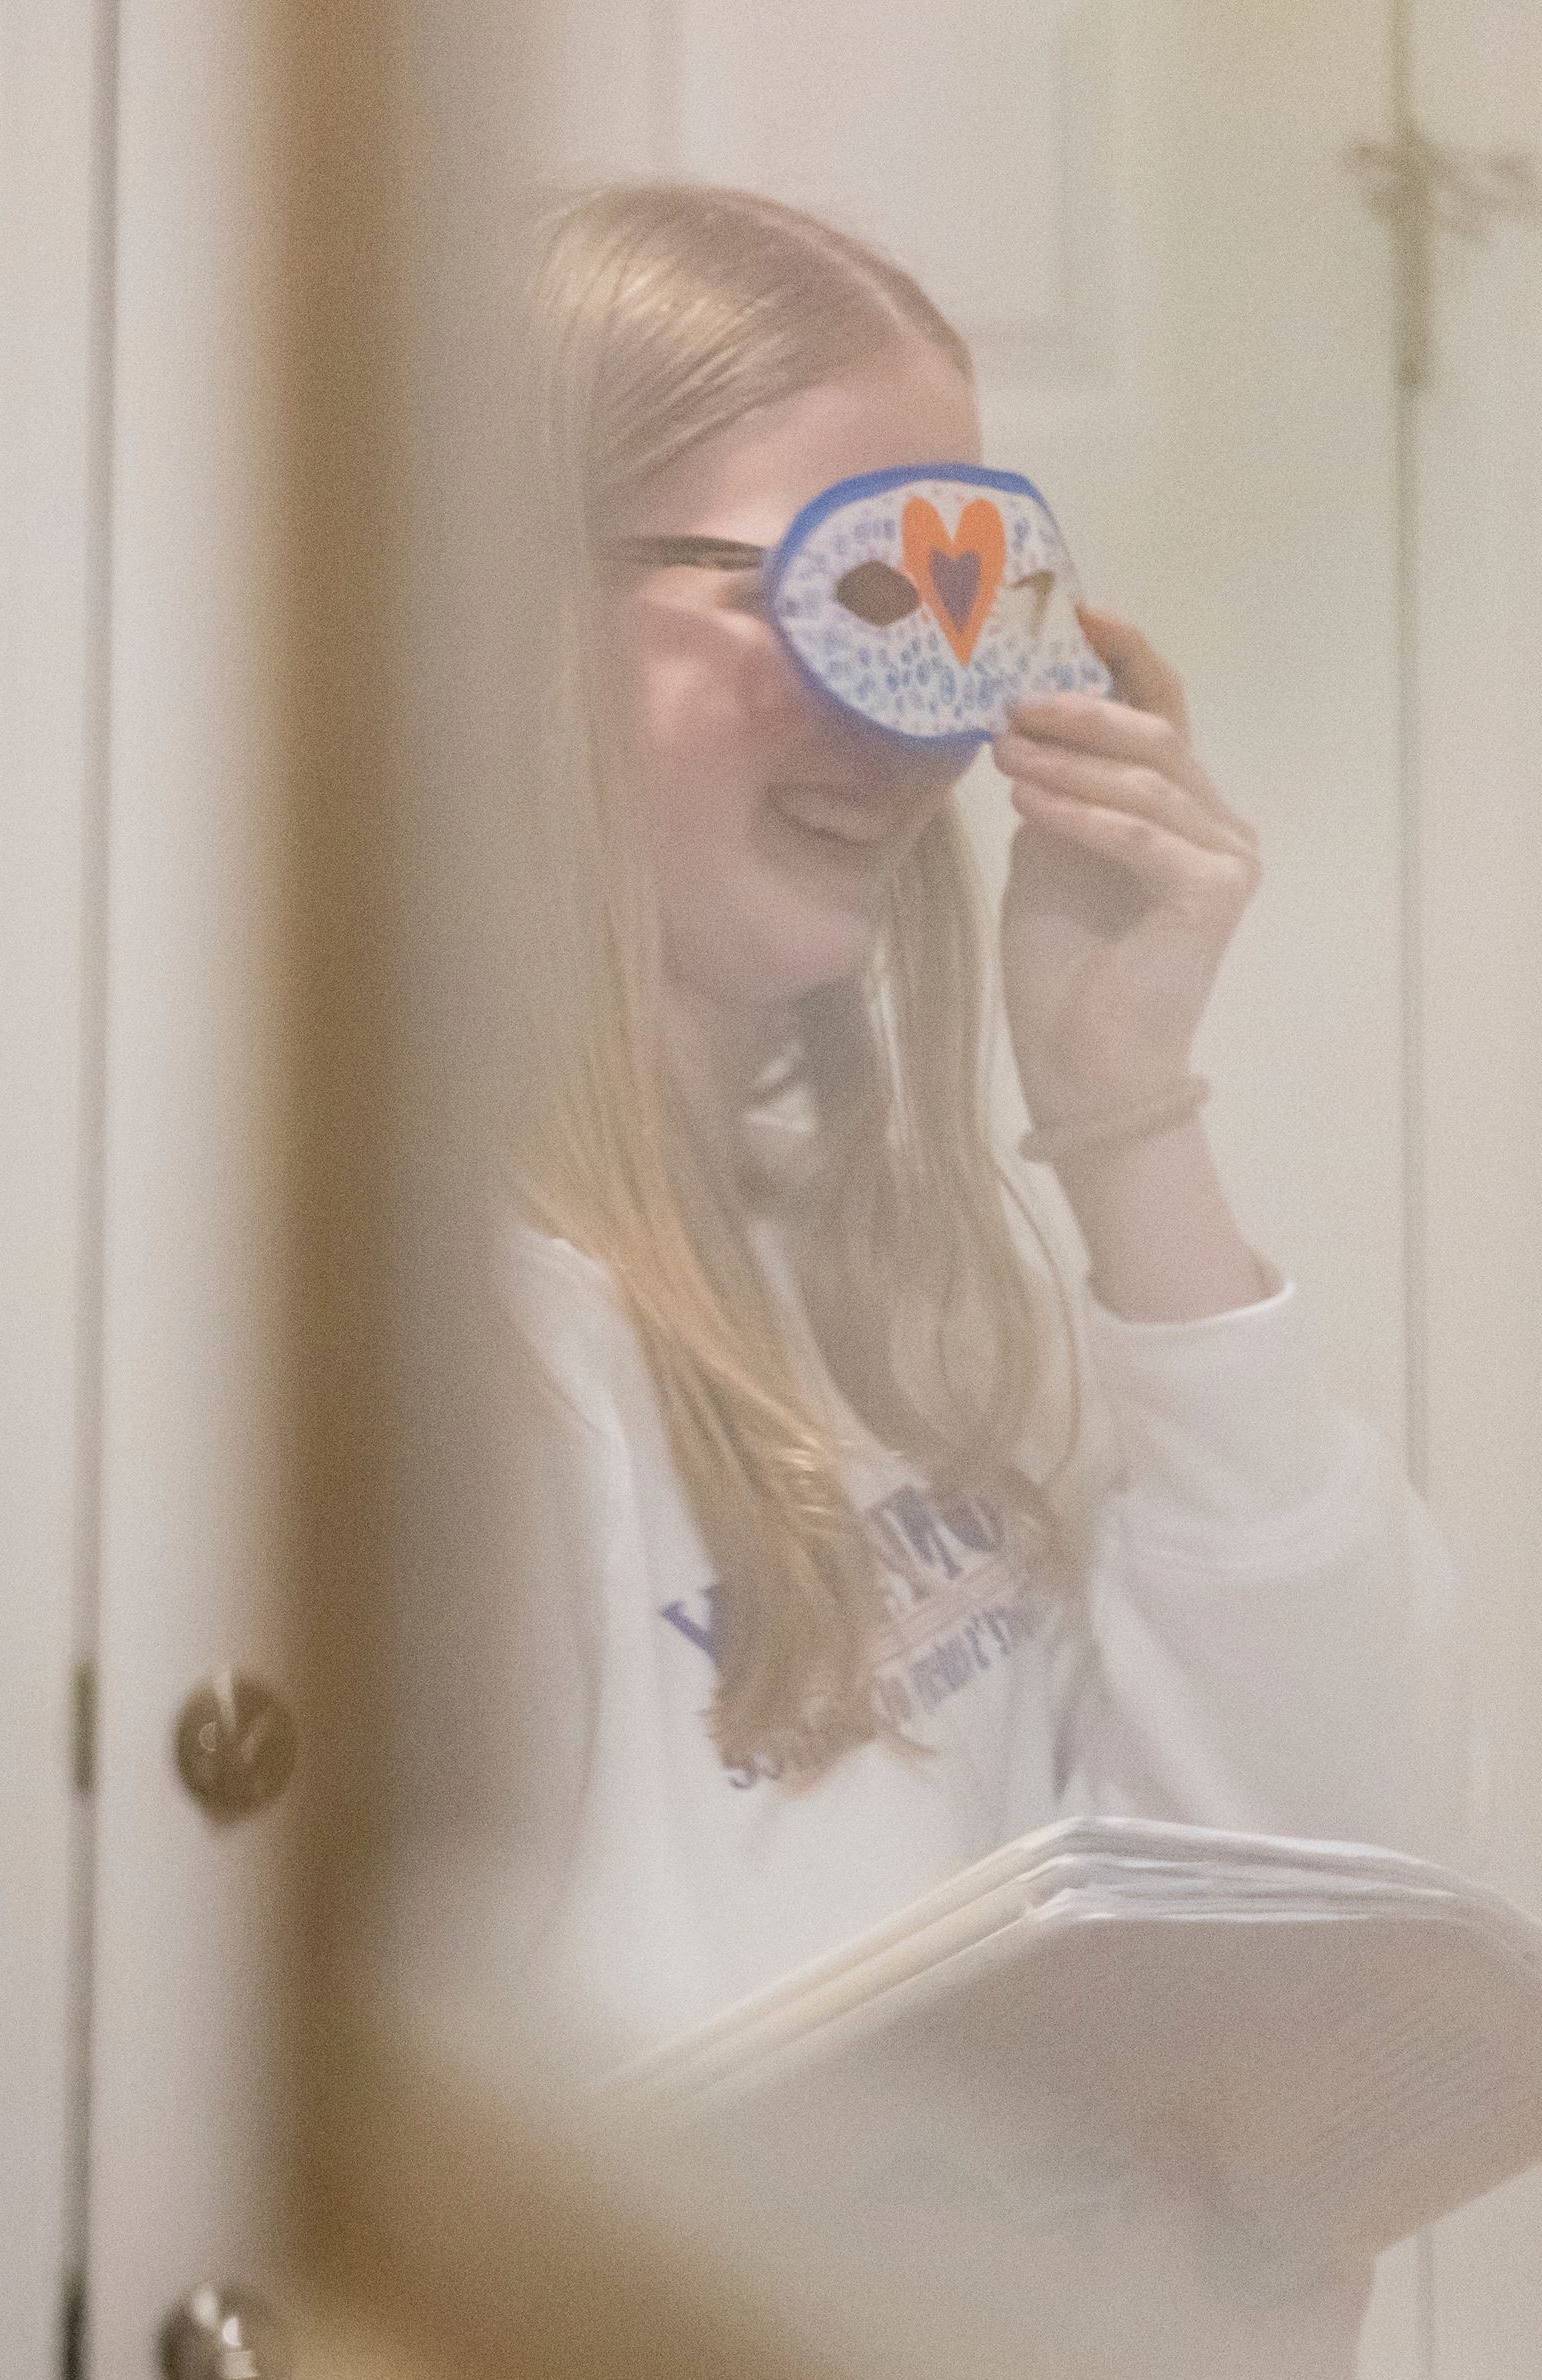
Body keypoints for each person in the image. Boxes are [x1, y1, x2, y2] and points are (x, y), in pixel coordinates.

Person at [470, 179, 1456, 2056]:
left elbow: (1362, 1888)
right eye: (824, 594)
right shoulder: (449, 1366)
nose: (907, 729)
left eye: (962, 609)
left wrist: (1124, 1111)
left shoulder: (901, 1294)